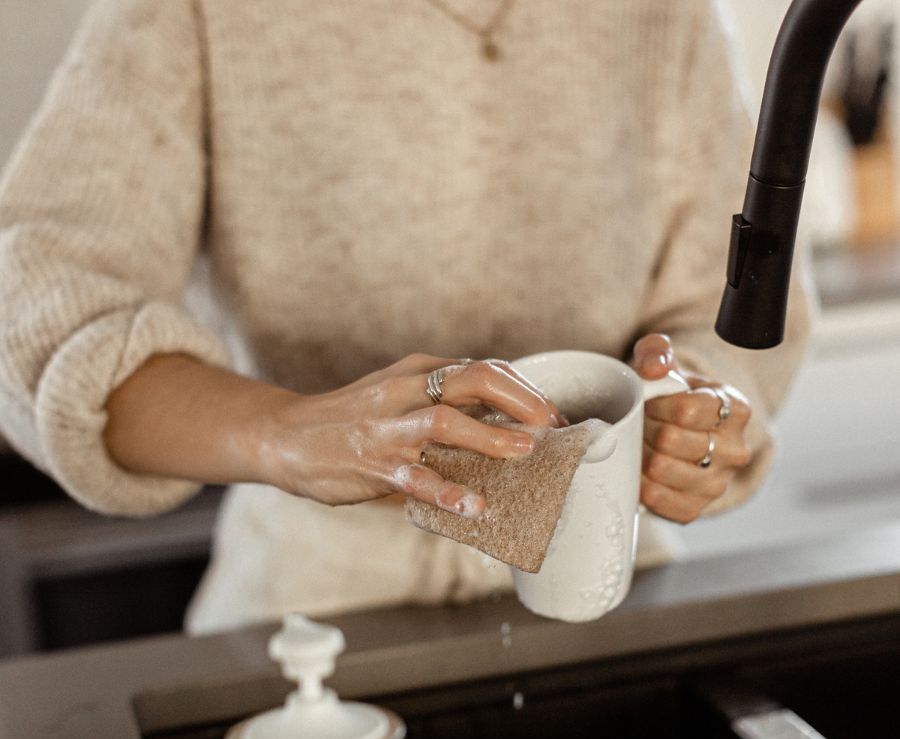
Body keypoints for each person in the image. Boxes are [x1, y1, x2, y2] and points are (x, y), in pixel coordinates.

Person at [0, 0, 810, 632]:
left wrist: (702, 412)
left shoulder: (667, 17)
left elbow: (734, 310)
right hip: (309, 614)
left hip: (615, 589)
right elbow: (34, 302)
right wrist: (285, 432)